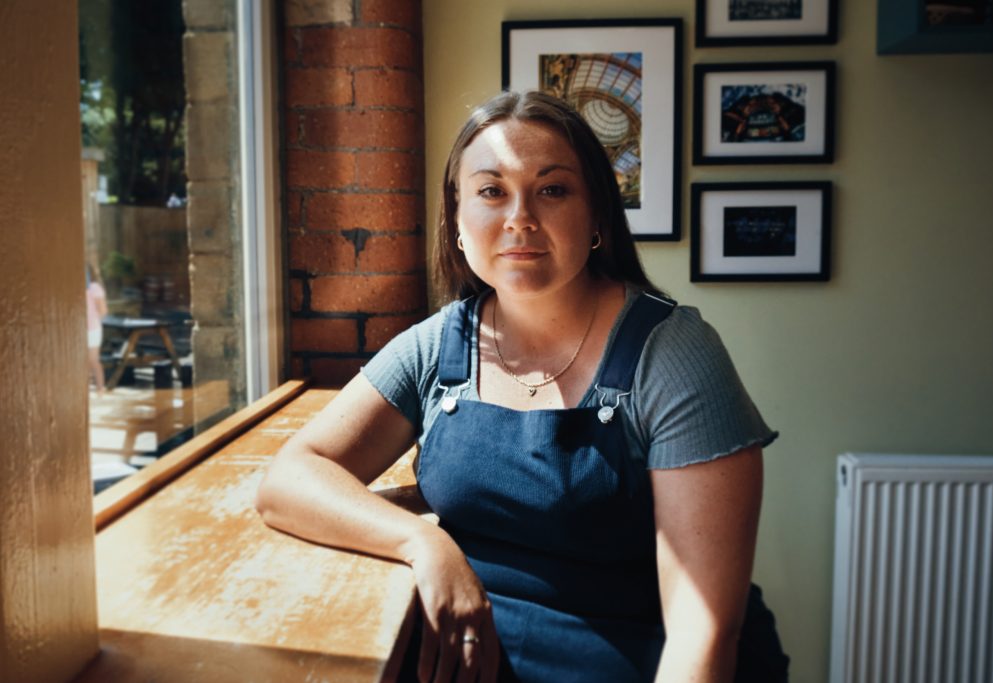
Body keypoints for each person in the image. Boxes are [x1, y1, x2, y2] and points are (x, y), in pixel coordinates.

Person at [255, 91, 789, 682]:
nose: (519, 218)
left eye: (553, 190)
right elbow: (289, 479)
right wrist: (424, 545)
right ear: (457, 222)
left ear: (597, 218)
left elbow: (703, 633)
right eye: (491, 191)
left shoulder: (672, 353)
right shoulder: (440, 343)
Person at [86, 263, 108, 393]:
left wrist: (93, 320)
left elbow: (103, 310)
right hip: (81, 329)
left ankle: (100, 388)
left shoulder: (94, 288)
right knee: (84, 361)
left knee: (93, 360)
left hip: (93, 329)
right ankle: (87, 387)